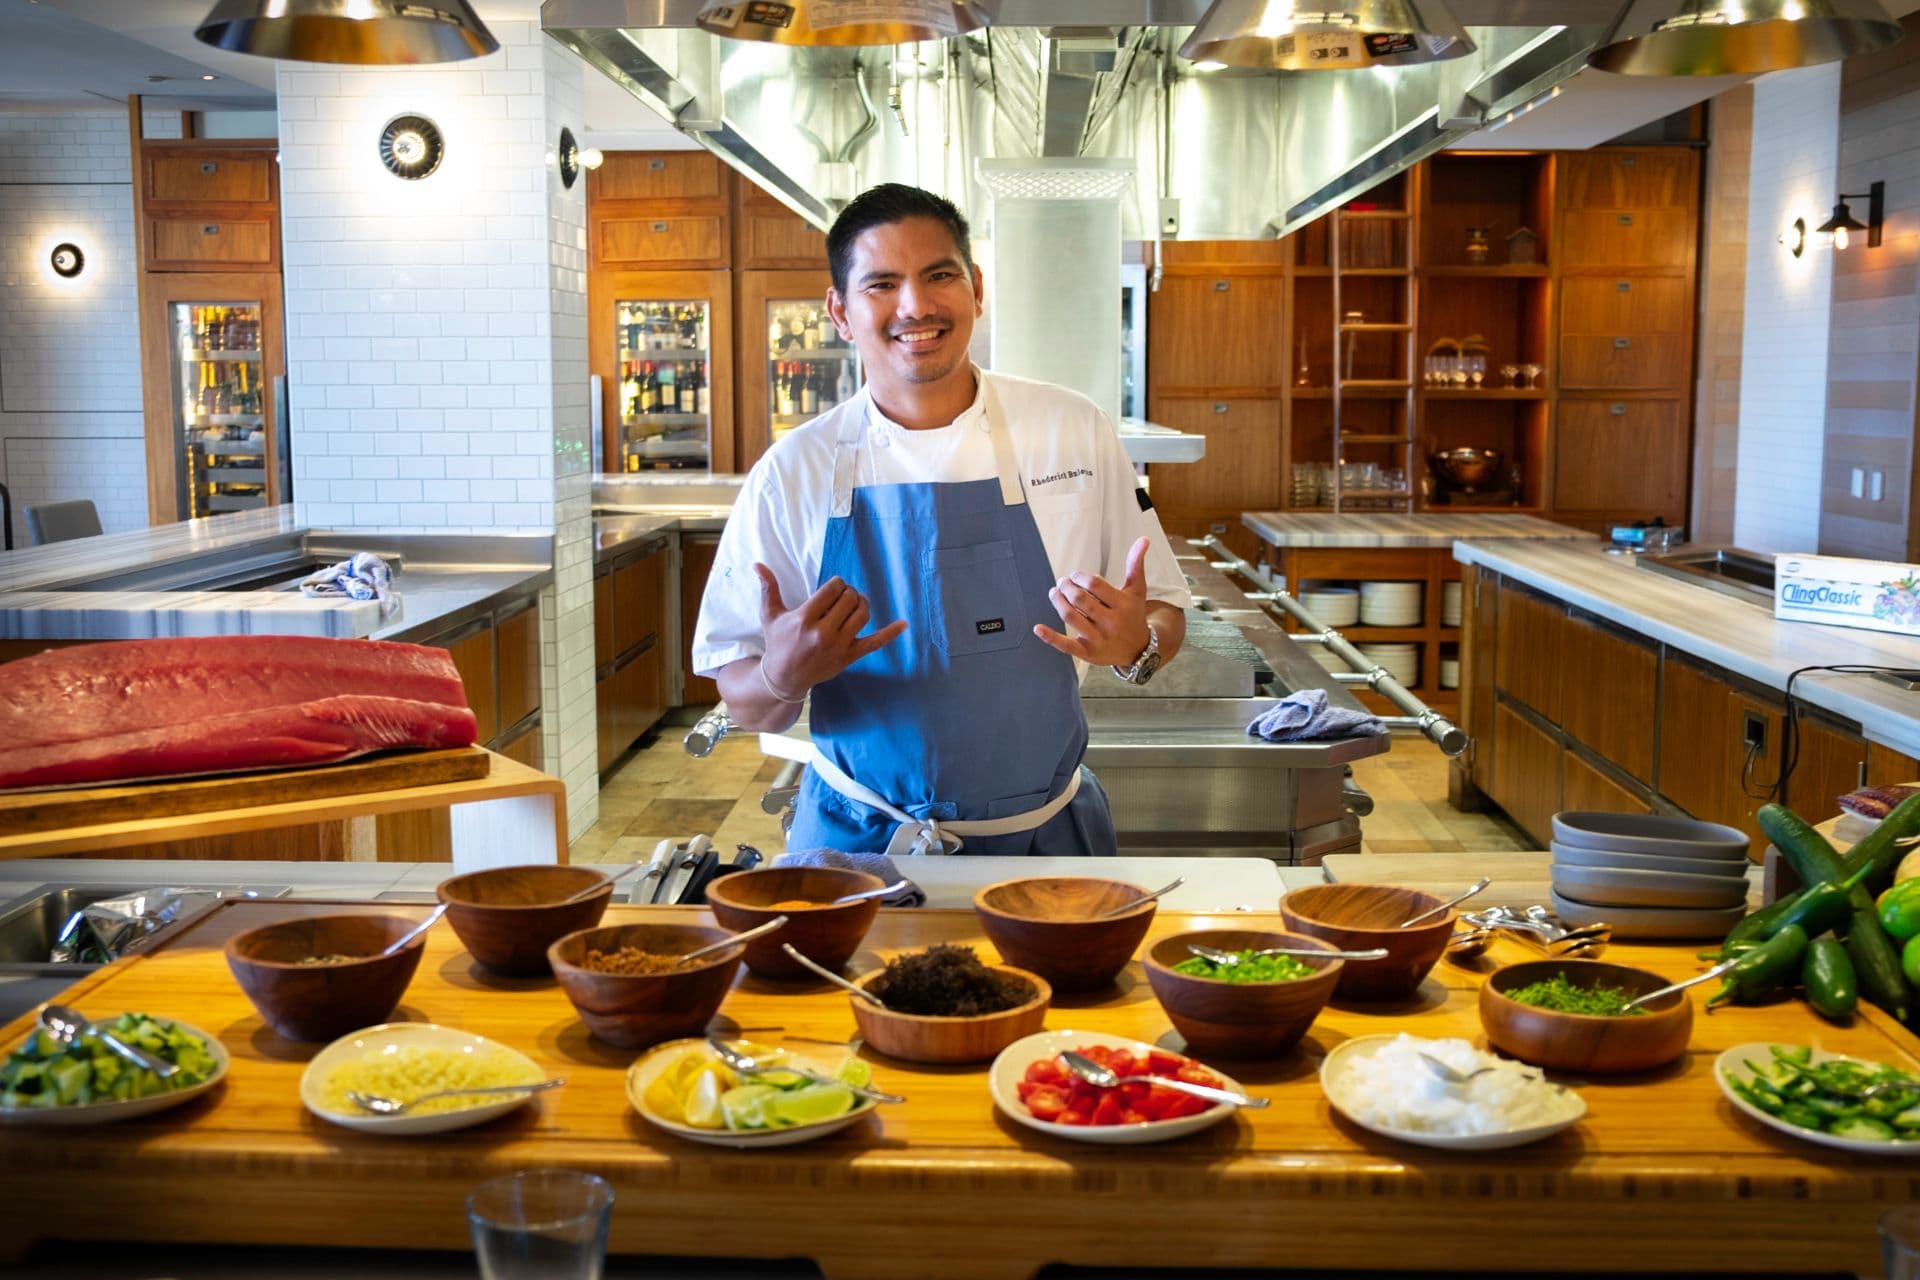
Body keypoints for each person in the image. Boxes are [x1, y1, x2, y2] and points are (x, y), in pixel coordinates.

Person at [691, 183, 1190, 857]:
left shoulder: (1071, 430)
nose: (915, 306)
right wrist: (784, 676)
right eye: (881, 284)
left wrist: (1138, 647)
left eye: (939, 276)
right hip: (859, 849)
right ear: (839, 311)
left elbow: (1162, 610)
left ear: (976, 289)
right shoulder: (794, 473)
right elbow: (744, 699)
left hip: (1047, 842)